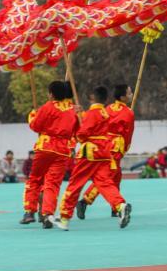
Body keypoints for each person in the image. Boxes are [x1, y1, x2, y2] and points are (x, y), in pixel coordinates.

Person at [56, 86, 132, 230]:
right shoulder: (104, 112)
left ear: (92, 97)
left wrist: (78, 130)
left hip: (89, 153)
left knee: (75, 183)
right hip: (104, 152)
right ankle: (120, 205)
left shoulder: (95, 112)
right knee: (105, 183)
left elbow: (83, 133)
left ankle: (64, 217)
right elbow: (93, 122)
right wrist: (81, 115)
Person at [21, 81, 78, 225]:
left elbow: (35, 126)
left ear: (51, 94)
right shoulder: (72, 110)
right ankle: (47, 214)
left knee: (35, 179)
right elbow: (76, 130)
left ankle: (29, 211)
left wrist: (32, 115)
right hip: (63, 150)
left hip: (45, 147)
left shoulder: (47, 107)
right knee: (53, 184)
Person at [78, 84, 135, 219]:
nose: (131, 94)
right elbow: (128, 133)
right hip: (116, 147)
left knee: (116, 176)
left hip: (106, 143)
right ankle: (85, 201)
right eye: (129, 93)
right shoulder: (128, 113)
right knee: (107, 177)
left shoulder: (107, 108)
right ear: (123, 97)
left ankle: (115, 208)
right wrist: (126, 147)